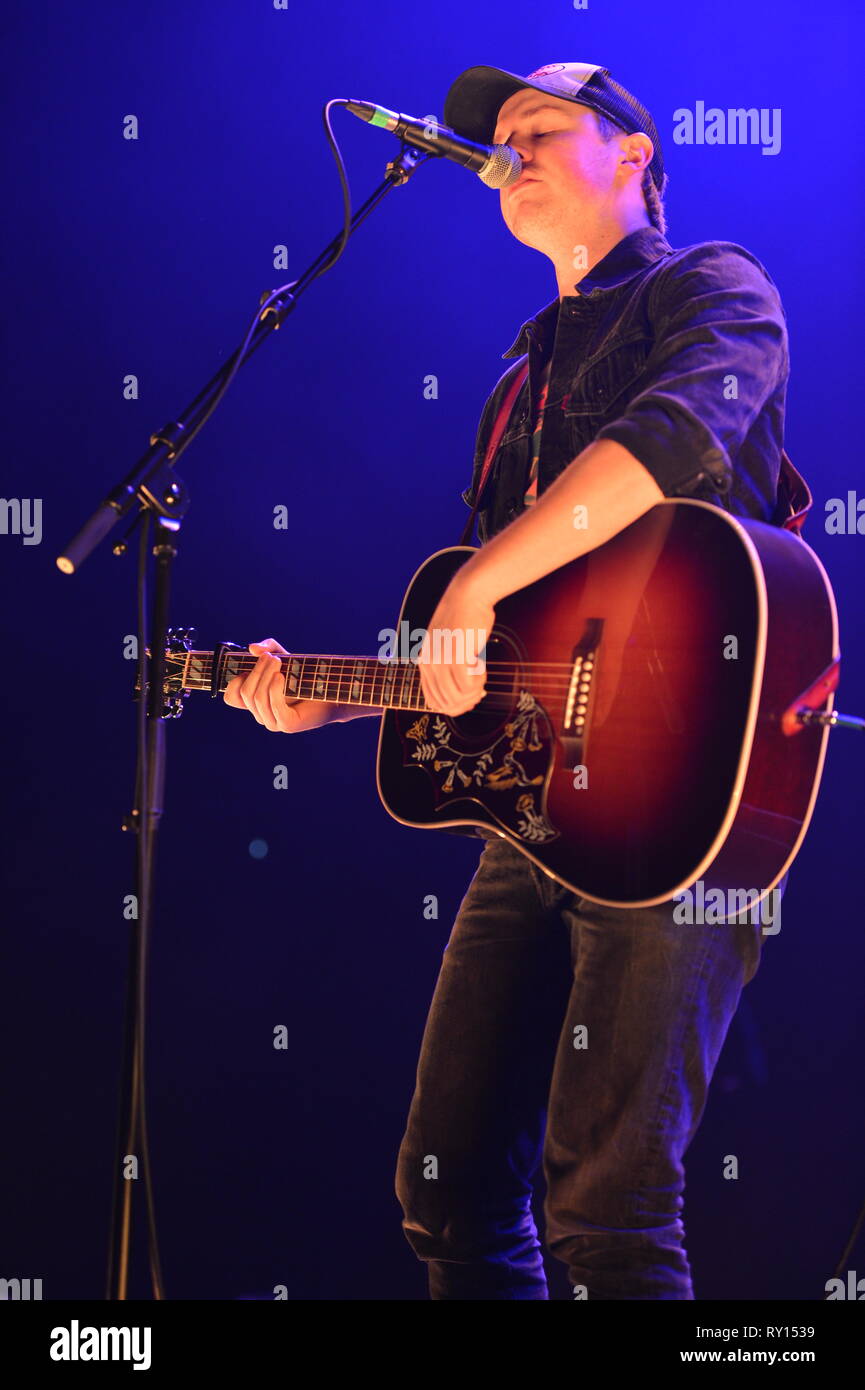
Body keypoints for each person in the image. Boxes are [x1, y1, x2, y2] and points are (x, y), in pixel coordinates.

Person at [225, 61, 791, 1299]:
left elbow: (670, 447)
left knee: (609, 1207)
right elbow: (519, 653)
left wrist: (475, 585)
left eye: (541, 129)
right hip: (539, 820)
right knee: (445, 1188)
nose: (507, 151)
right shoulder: (514, 380)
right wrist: (340, 693)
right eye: (499, 140)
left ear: (635, 156)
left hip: (685, 803)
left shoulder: (713, 287)